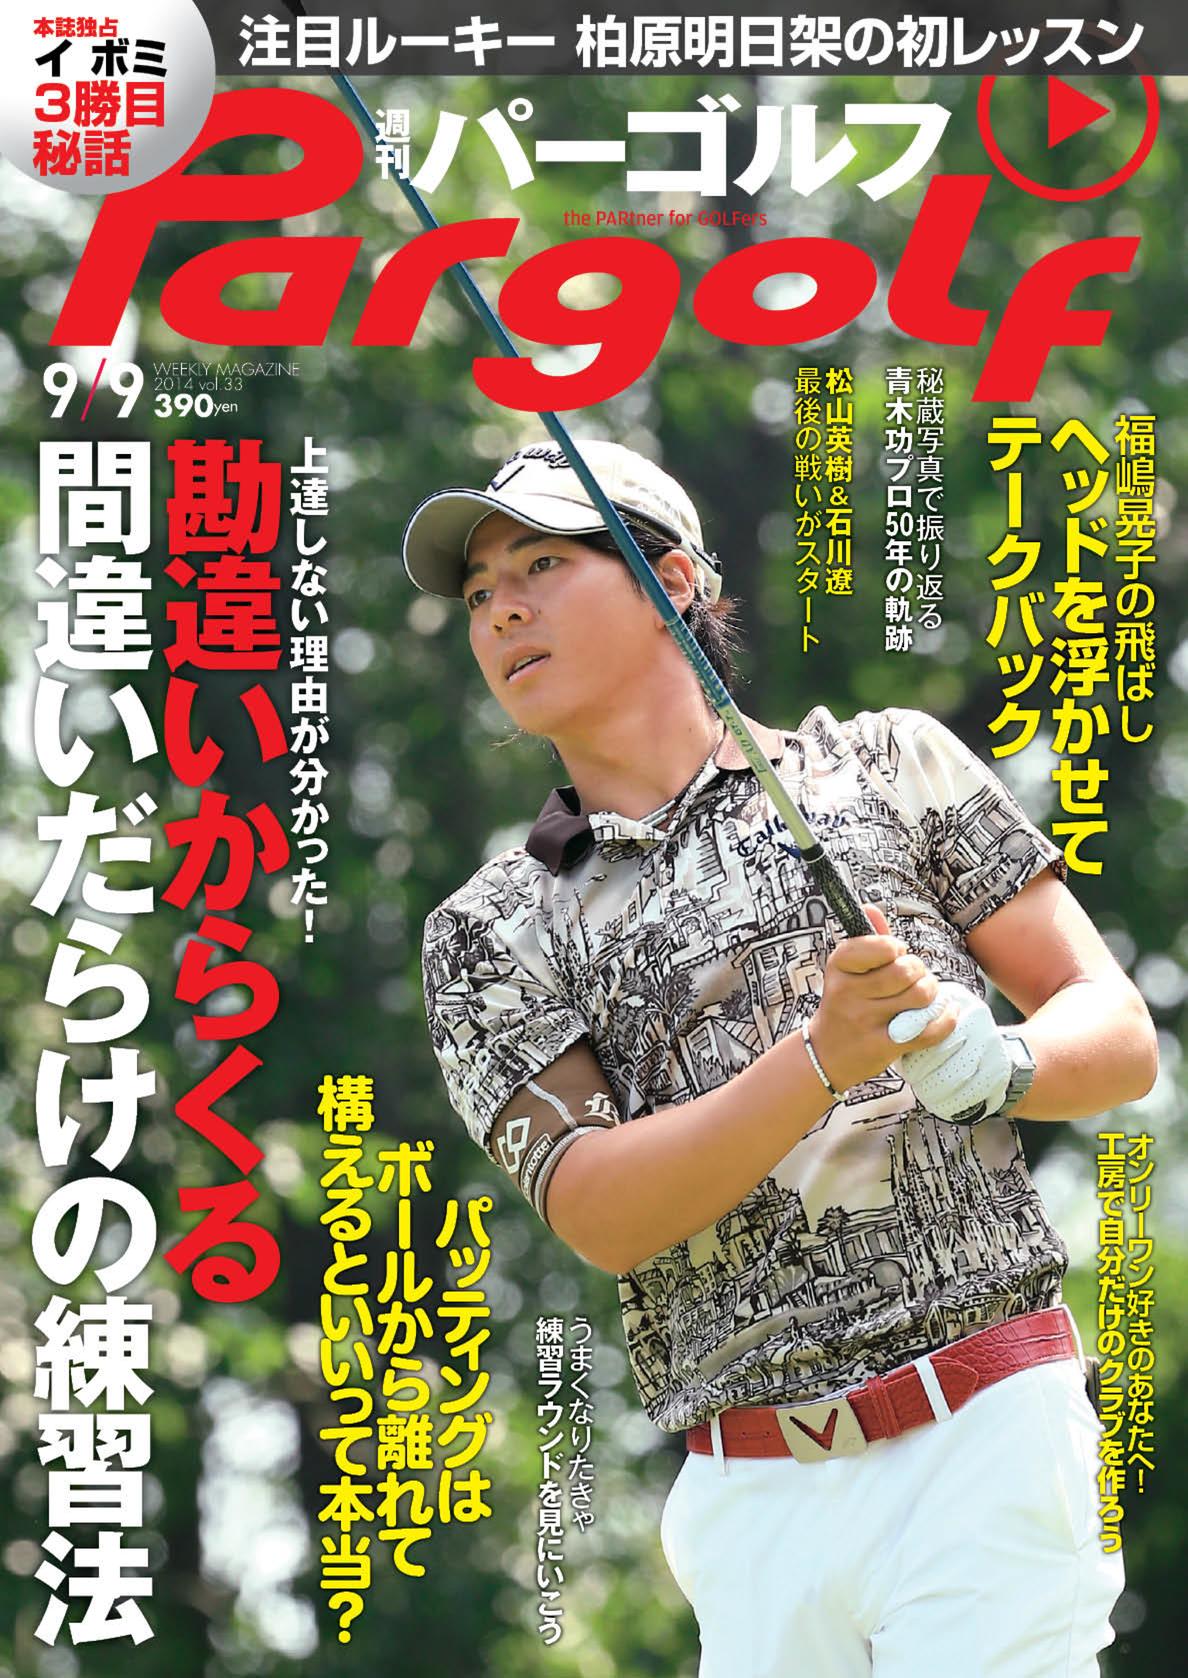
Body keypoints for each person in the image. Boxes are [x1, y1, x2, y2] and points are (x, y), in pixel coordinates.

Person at [404, 438, 1157, 1678]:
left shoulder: (890, 763)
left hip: (985, 1433)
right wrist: (819, 1058)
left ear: (673, 580)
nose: (502, 611)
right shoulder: (488, 931)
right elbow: (600, 1208)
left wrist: (1000, 1063)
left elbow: (1116, 1031)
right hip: (751, 1499)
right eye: (480, 592)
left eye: (542, 564)